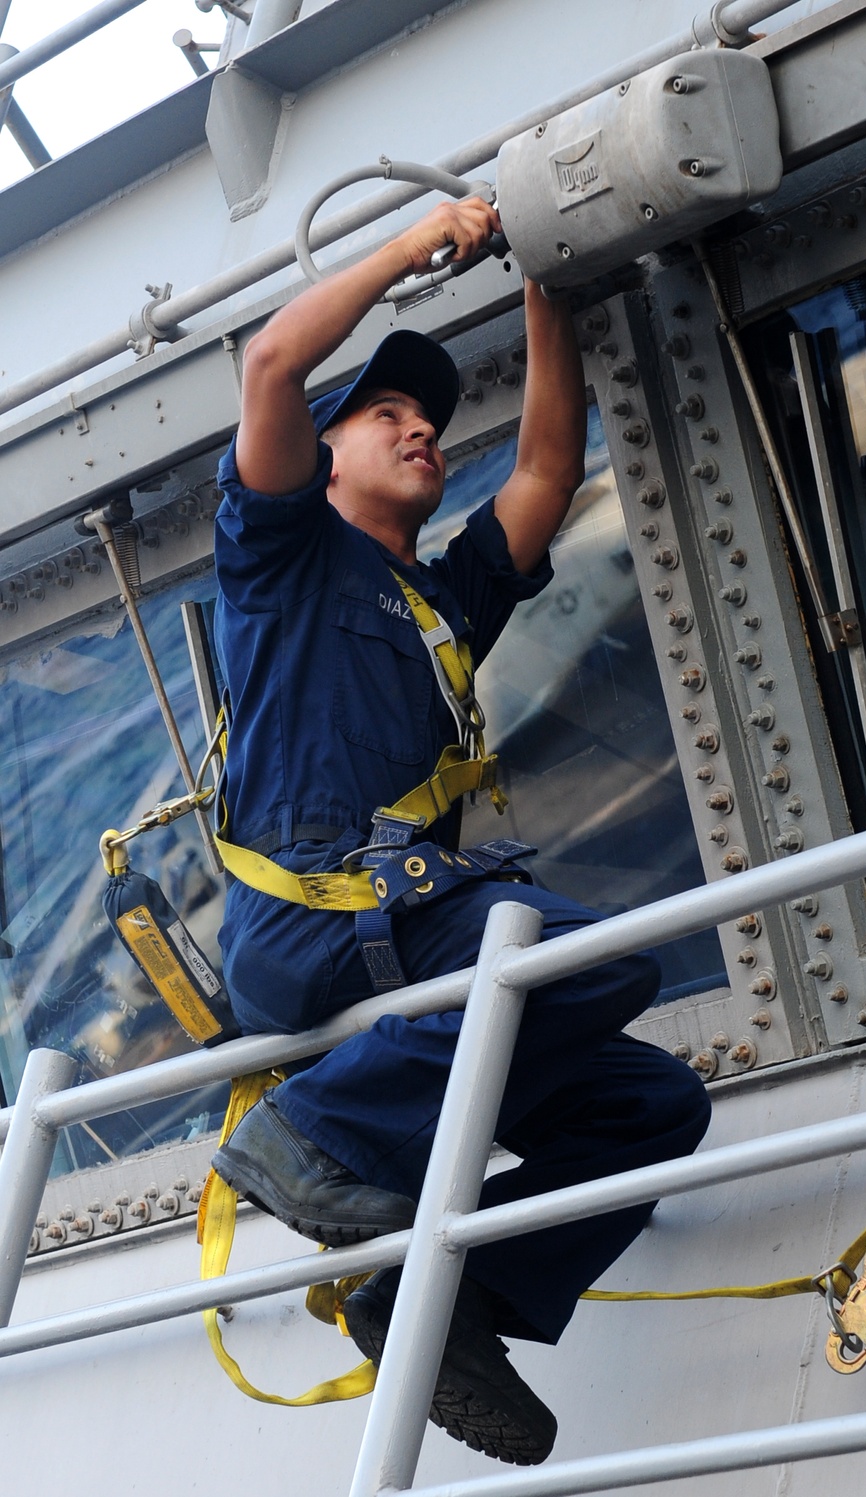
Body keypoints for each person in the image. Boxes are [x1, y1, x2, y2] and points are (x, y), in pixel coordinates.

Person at [210, 196, 711, 1466]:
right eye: (385, 414)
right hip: (314, 923)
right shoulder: (279, 553)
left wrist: (545, 277)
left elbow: (543, 470)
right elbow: (273, 365)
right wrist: (407, 249)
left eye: (427, 416)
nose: (421, 426)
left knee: (654, 1107)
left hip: (406, 926)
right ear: (319, 456)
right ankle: (312, 1135)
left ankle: (448, 1309)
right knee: (579, 952)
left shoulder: (440, 600)